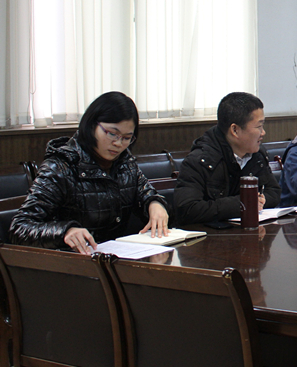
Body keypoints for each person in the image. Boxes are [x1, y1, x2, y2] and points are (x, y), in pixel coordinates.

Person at [10, 92, 171, 254]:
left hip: (115, 258)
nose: (118, 143)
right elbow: (20, 228)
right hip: (71, 260)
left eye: (127, 138)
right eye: (112, 133)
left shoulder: (125, 163)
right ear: (92, 125)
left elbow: (145, 193)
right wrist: (65, 231)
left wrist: (154, 204)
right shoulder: (60, 167)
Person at [175, 92, 280, 225]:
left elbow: (274, 191)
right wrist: (241, 204)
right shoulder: (200, 161)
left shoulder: (257, 155)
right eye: (259, 126)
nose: (263, 132)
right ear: (235, 130)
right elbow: (187, 210)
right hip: (211, 236)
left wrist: (261, 200)